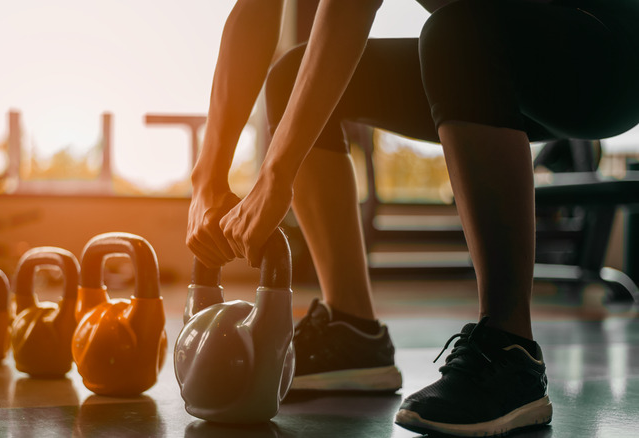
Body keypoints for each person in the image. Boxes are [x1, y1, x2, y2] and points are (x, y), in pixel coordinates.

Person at [186, 0, 639, 436]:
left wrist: (275, 175)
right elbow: (256, 8)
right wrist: (207, 181)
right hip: (487, 55)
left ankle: (511, 352)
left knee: (457, 31)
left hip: (608, 49)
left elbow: (348, 7)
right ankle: (352, 333)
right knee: (292, 78)